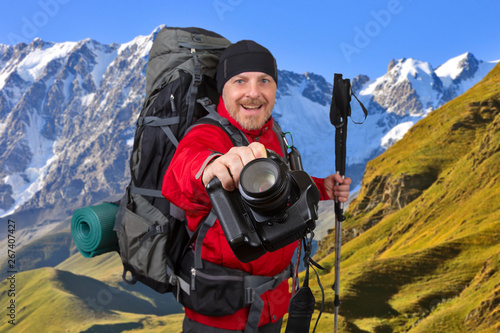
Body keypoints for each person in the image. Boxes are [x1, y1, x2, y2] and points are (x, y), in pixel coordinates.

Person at [162, 40, 351, 333]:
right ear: (223, 89)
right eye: (240, 81)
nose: (253, 92)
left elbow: (277, 186)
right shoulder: (206, 134)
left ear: (276, 89)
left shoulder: (273, 133)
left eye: (264, 80)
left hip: (273, 306)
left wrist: (322, 187)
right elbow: (181, 174)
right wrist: (211, 167)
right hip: (220, 316)